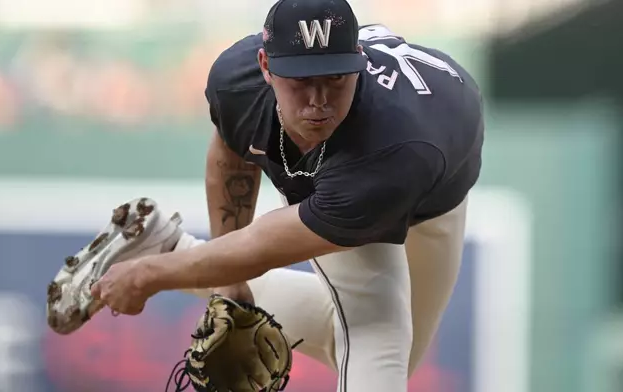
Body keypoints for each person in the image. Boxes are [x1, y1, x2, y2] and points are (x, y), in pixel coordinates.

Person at [46, 0, 484, 390]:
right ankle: (170, 248)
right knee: (379, 342)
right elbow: (233, 150)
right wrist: (229, 288)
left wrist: (151, 274)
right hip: (368, 172)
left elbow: (261, 247)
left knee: (388, 353)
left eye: (335, 78)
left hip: (428, 193)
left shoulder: (394, 147)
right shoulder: (236, 79)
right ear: (265, 65)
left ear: (360, 63)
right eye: (299, 79)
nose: (318, 101)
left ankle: (167, 245)